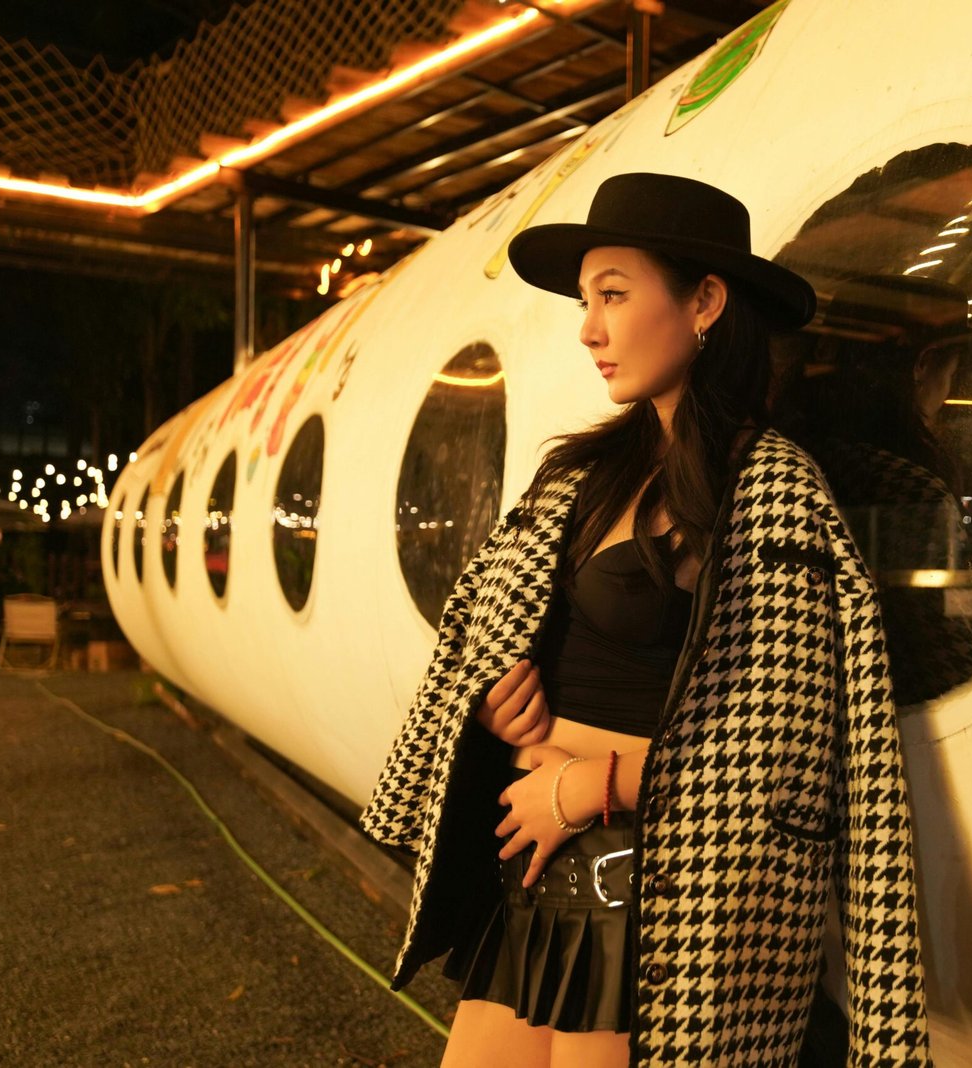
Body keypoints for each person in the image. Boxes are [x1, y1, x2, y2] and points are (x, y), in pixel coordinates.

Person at [360, 172, 930, 1067]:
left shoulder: (773, 492)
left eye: (614, 296)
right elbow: (486, 620)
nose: (589, 327)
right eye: (588, 300)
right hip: (536, 864)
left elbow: (783, 754)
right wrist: (491, 708)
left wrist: (593, 787)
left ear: (704, 301)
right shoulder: (587, 472)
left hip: (660, 891)